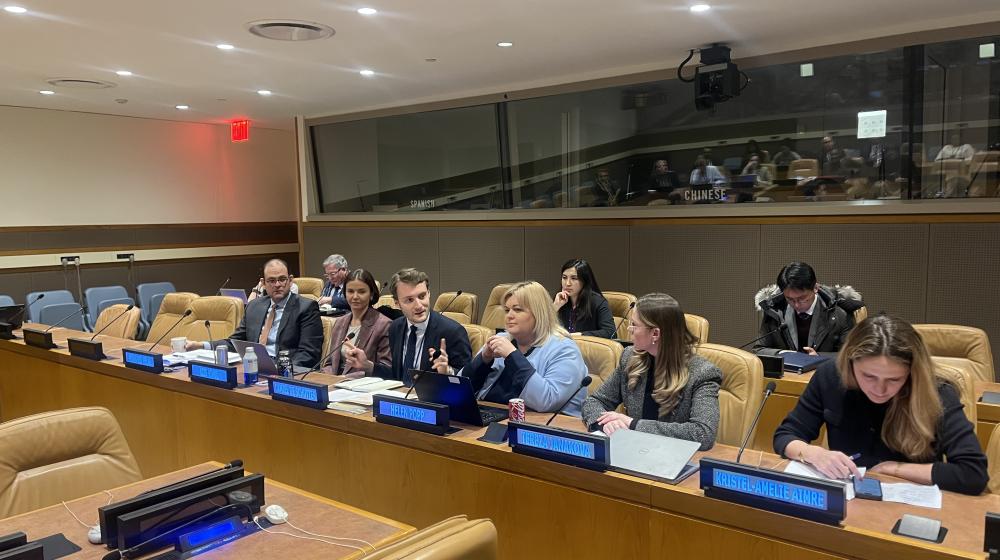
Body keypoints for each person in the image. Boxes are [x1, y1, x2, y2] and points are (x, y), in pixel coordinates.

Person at [773, 315, 988, 495]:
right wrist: (813, 454)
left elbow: (973, 474)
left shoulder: (937, 393)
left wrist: (893, 469)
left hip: (912, 504)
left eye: (894, 379)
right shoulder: (830, 376)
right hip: (850, 500)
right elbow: (786, 435)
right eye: (868, 376)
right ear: (850, 363)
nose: (880, 389)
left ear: (911, 372)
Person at [581, 293, 721, 449]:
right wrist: (606, 424)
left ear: (655, 334)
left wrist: (633, 424)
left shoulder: (702, 373)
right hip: (633, 450)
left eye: (634, 325)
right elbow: (594, 401)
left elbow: (702, 433)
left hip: (674, 457)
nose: (629, 329)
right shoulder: (630, 358)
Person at [463, 281, 588, 415]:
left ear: (538, 313)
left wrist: (512, 356)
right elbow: (461, 388)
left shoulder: (564, 349)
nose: (509, 315)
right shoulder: (502, 339)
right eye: (507, 310)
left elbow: (547, 401)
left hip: (540, 423)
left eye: (517, 309)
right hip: (491, 416)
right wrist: (483, 359)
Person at [344, 267, 471, 385]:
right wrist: (367, 365)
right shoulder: (395, 328)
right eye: (409, 300)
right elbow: (397, 376)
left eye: (422, 296)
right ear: (397, 303)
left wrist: (447, 371)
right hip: (401, 398)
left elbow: (469, 381)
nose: (419, 305)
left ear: (429, 294)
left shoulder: (452, 332)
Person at [188, 258, 323, 367]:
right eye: (271, 280)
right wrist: (201, 345)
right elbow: (235, 342)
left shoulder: (306, 307)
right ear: (263, 283)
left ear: (290, 280)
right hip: (252, 366)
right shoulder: (254, 306)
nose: (277, 285)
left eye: (282, 279)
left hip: (286, 371)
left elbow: (309, 354)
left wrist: (281, 369)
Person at [753, 262, 862, 356]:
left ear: (815, 288)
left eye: (802, 299)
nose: (796, 305)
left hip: (822, 371)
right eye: (790, 299)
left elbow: (850, 355)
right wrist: (783, 354)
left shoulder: (839, 313)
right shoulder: (774, 310)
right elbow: (759, 350)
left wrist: (820, 357)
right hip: (786, 372)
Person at [326, 269, 391, 376]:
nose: (355, 296)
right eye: (350, 291)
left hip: (361, 384)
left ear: (371, 294)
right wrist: (325, 378)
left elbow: (386, 369)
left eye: (361, 292)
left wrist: (343, 379)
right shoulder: (339, 322)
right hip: (334, 382)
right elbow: (330, 363)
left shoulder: (384, 325)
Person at [553, 258, 616, 338]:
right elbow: (541, 330)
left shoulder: (598, 302)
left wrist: (579, 335)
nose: (567, 283)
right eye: (564, 277)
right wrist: (555, 307)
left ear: (584, 281)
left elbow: (610, 333)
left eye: (574, 278)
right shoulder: (559, 300)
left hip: (586, 345)